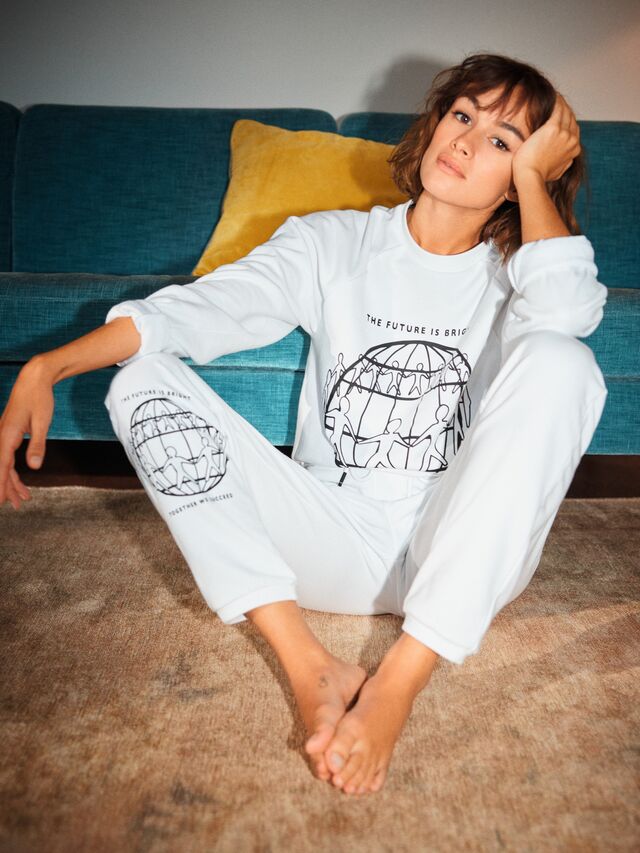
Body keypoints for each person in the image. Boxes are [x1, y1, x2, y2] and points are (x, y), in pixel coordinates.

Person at [0, 52, 609, 797]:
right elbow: (199, 310)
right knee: (141, 381)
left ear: (523, 177)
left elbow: (568, 313)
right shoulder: (332, 243)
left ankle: (400, 680)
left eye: (502, 140)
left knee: (562, 358)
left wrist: (533, 180)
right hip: (335, 535)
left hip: (465, 549)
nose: (464, 141)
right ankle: (311, 666)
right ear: (433, 122)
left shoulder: (523, 272)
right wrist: (48, 366)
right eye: (462, 115)